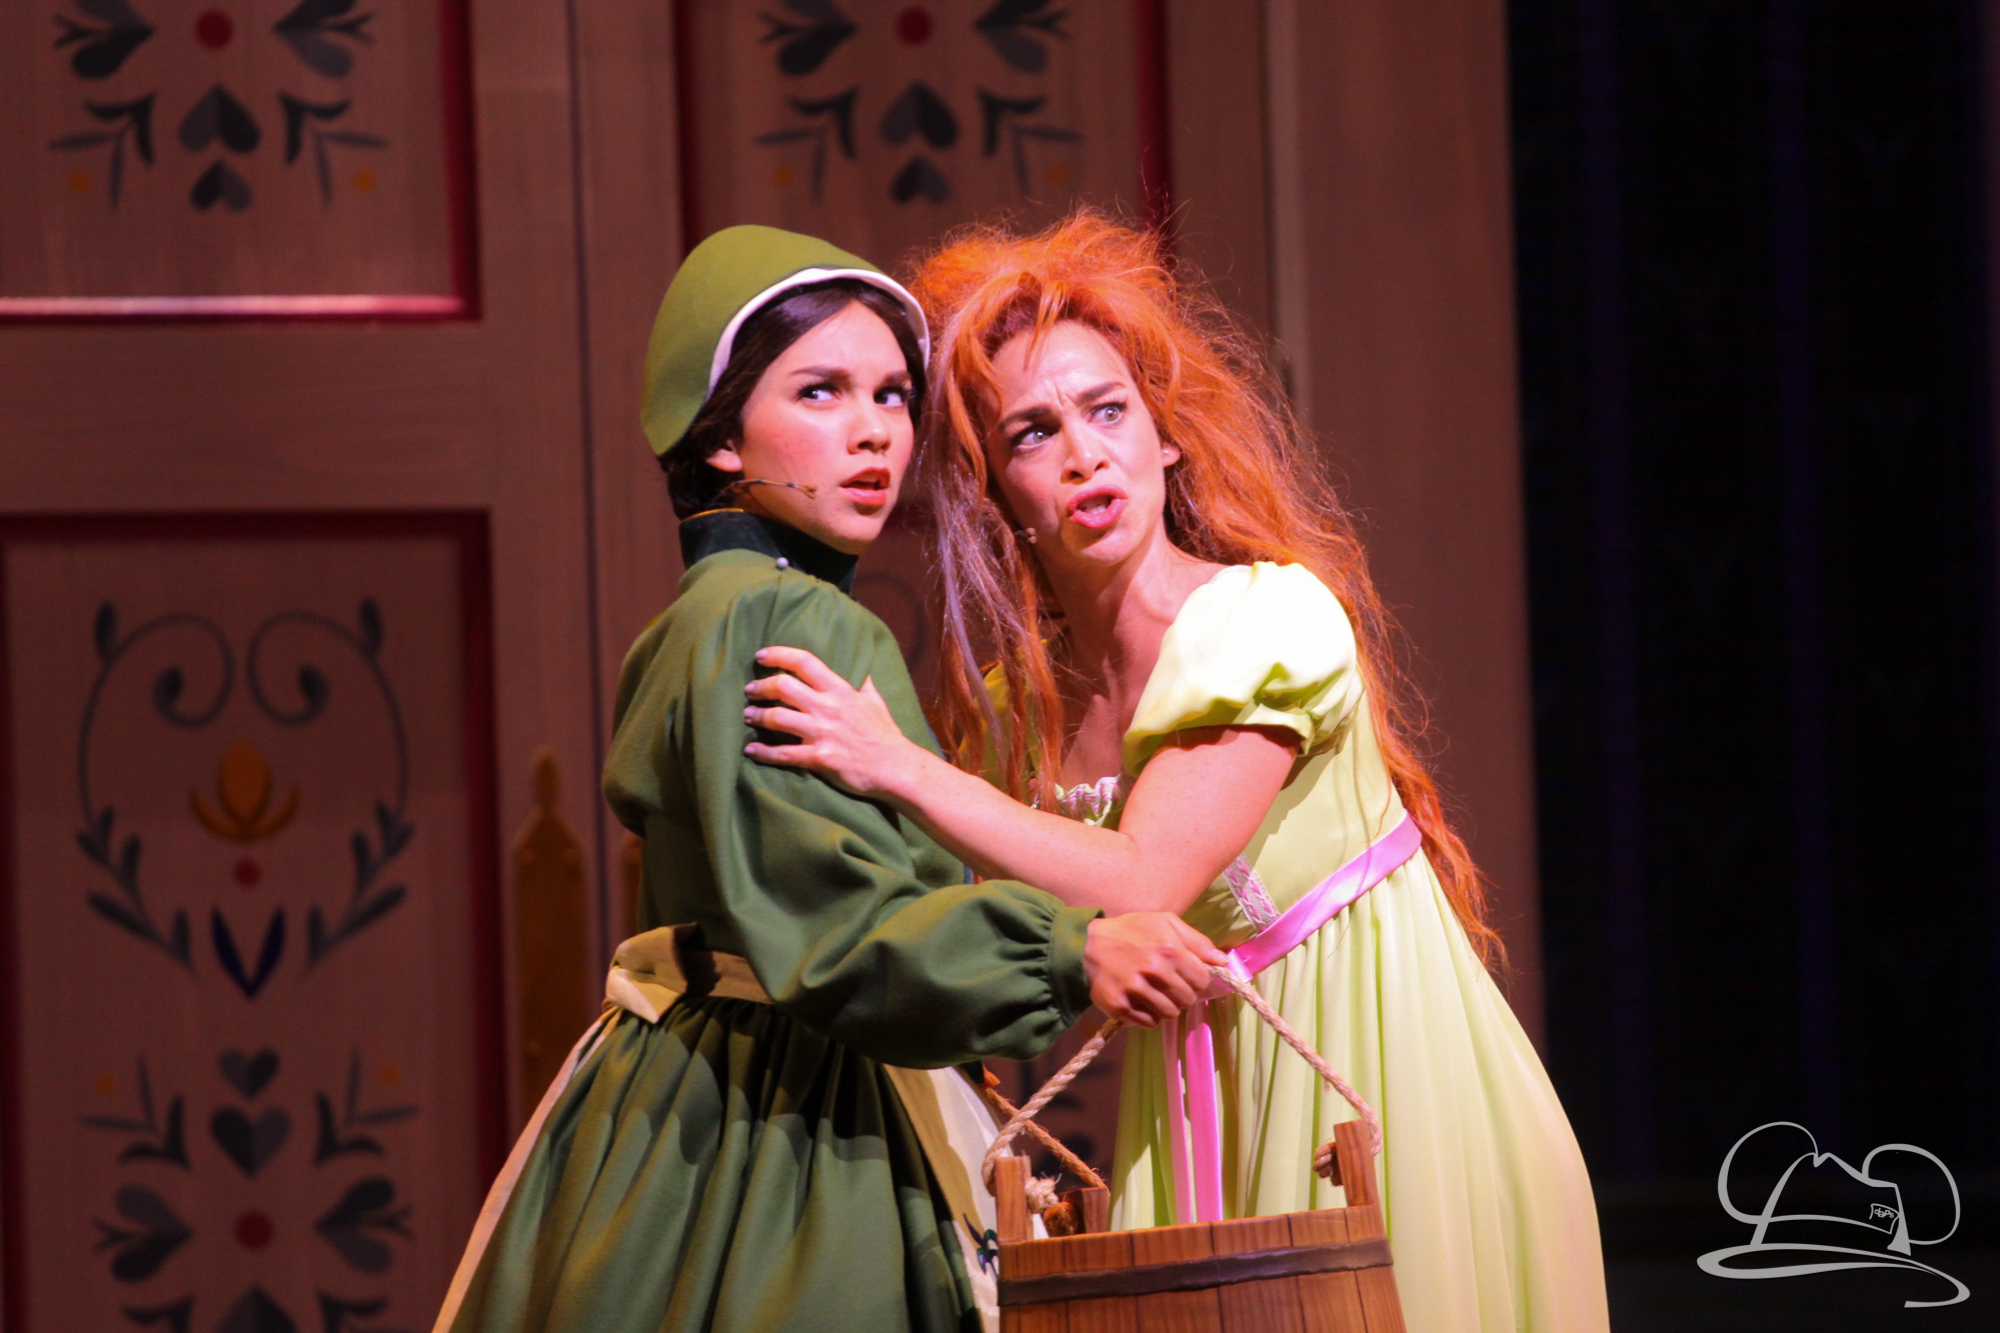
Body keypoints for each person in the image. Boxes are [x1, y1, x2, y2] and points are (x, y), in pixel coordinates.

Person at [742, 213, 1611, 1333]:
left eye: (1108, 411)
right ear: (996, 489)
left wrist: (895, 764)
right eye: (1033, 432)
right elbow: (975, 927)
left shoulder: (1266, 619)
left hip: (1384, 1084)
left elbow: (1144, 879)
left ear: (1164, 438)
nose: (1082, 454)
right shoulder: (1020, 711)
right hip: (1199, 1107)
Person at [432, 224, 1224, 1333]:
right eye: (820, 392)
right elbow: (836, 928)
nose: (873, 432)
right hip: (791, 1127)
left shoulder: (697, 617)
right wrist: (1070, 948)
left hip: (678, 1105)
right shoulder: (785, 615)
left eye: (892, 396)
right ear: (720, 437)